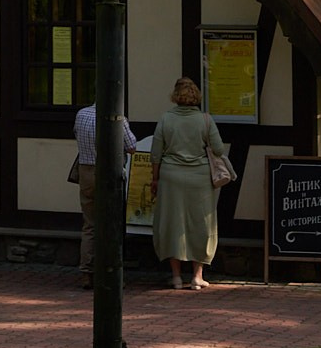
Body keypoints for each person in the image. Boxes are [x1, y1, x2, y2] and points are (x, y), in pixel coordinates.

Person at [147, 75, 229, 292]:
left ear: (175, 96)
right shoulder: (205, 120)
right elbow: (219, 149)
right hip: (199, 179)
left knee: (173, 224)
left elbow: (156, 154)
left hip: (171, 177)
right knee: (200, 224)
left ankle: (175, 277)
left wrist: (155, 179)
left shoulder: (165, 119)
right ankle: (197, 276)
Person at [71, 95, 142, 289]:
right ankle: (111, 271)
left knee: (90, 224)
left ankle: (87, 272)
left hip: (86, 171)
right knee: (112, 225)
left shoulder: (82, 114)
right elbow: (132, 146)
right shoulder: (116, 117)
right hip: (109, 173)